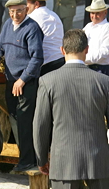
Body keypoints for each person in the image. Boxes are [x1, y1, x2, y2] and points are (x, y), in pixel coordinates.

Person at [33, 29, 109, 189]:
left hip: (63, 162)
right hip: (99, 162)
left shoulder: (48, 82)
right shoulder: (104, 82)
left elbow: (40, 126)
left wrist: (41, 159)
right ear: (87, 50)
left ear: (62, 50)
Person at [0, 0, 43, 172]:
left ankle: (28, 161)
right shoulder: (7, 25)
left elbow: (37, 58)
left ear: (26, 9)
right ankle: (24, 157)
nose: (15, 14)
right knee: (14, 118)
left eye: (19, 10)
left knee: (25, 121)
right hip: (11, 81)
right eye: (11, 11)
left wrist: (23, 79)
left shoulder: (32, 28)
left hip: (26, 82)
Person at [24, 0, 65, 75]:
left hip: (45, 65)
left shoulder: (31, 19)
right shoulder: (54, 15)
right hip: (61, 60)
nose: (25, 6)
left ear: (36, 4)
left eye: (27, 3)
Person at [82, 0, 109, 75]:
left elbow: (104, 52)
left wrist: (84, 59)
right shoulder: (88, 26)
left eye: (98, 13)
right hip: (87, 66)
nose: (94, 16)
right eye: (92, 13)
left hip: (101, 69)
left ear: (105, 13)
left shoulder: (107, 28)